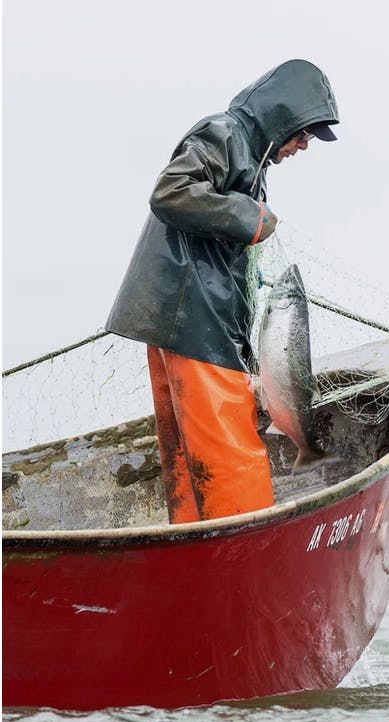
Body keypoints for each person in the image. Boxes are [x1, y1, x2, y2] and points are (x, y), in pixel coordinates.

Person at [106, 60, 339, 524]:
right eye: (304, 133)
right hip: (197, 324)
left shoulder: (247, 153)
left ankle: (194, 549)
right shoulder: (227, 133)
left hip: (181, 321)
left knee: (187, 456)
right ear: (283, 117)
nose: (304, 145)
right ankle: (247, 550)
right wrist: (252, 218)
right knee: (230, 451)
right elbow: (170, 192)